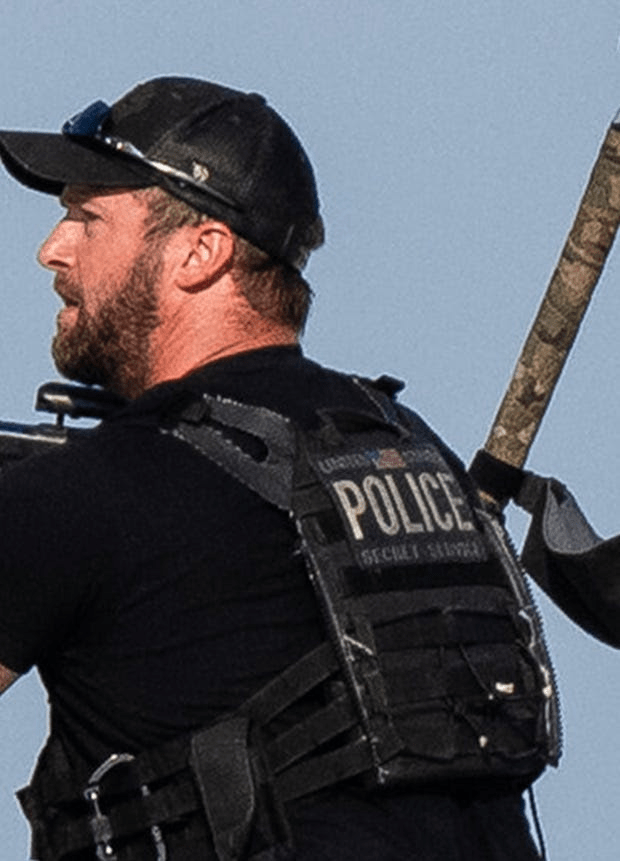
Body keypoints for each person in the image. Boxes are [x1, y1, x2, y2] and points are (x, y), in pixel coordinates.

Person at [0, 75, 613, 861]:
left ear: (201, 251)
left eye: (87, 219)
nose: (52, 249)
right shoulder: (406, 445)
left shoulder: (89, 493)